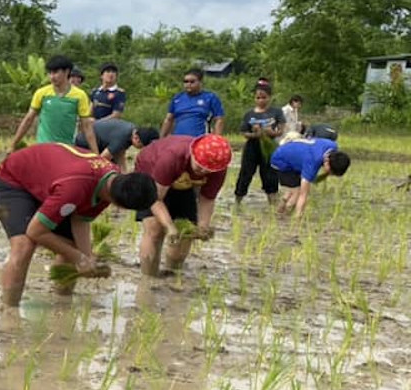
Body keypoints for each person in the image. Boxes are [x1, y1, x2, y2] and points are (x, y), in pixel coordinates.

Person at [0, 143, 157, 306]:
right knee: (24, 246)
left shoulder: (112, 184)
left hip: (53, 183)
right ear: (120, 205)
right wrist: (79, 258)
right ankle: (9, 310)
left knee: (71, 246)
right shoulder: (76, 188)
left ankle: (62, 303)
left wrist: (87, 258)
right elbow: (35, 231)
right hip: (15, 179)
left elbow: (80, 220)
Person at [134, 134, 233, 277]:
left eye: (208, 169)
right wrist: (169, 226)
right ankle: (148, 278)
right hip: (150, 174)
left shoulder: (218, 169)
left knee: (185, 233)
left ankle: (172, 276)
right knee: (154, 229)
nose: (204, 171)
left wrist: (203, 226)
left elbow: (207, 199)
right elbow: (155, 199)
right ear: (193, 153)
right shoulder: (173, 157)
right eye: (200, 166)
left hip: (183, 182)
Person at [11, 55, 96, 149]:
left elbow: (87, 127)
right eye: (50, 73)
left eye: (55, 72)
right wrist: (13, 145)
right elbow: (28, 119)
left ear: (66, 72)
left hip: (66, 148)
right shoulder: (41, 93)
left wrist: (96, 155)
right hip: (43, 147)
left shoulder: (80, 96)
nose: (52, 77)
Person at [270, 137, 350, 218]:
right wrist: (299, 216)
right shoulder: (312, 162)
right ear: (327, 162)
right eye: (331, 172)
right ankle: (286, 216)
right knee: (297, 193)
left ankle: (279, 211)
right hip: (281, 161)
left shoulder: (332, 146)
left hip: (290, 153)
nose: (331, 174)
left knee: (292, 189)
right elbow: (303, 194)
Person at [233, 85, 284, 206]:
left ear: (269, 98)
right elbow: (244, 132)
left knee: (270, 174)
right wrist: (256, 134)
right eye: (258, 98)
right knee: (246, 173)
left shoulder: (276, 112)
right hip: (252, 146)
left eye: (263, 97)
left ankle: (272, 202)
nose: (261, 100)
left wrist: (272, 133)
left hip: (269, 146)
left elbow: (281, 130)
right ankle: (238, 201)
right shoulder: (249, 114)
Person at [160, 69, 225, 138]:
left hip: (200, 139)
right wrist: (161, 138)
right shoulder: (177, 98)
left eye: (192, 82)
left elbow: (219, 119)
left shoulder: (210, 98)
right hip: (178, 140)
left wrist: (217, 139)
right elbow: (169, 119)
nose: (188, 84)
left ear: (200, 82)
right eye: (186, 81)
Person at [74, 118, 160, 169]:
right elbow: (104, 157)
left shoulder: (132, 130)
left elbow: (120, 155)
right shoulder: (123, 137)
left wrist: (124, 174)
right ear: (137, 139)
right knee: (105, 167)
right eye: (141, 146)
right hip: (85, 143)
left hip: (100, 143)